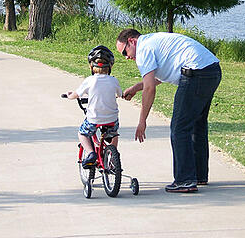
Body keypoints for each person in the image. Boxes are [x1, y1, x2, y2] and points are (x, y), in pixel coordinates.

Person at [116, 29, 222, 193]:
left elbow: (150, 89)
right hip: (212, 71)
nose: (127, 57)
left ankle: (185, 180)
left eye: (125, 52)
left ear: (132, 41)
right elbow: (159, 76)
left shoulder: (143, 49)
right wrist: (137, 87)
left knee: (179, 128)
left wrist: (142, 121)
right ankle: (199, 175)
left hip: (195, 73)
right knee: (196, 125)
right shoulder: (152, 41)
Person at [67, 45, 122, 168]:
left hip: (94, 119)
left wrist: (70, 95)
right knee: (114, 134)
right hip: (112, 120)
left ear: (91, 66)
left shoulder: (89, 80)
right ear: (111, 66)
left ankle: (91, 153)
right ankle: (113, 158)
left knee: (82, 134)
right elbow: (119, 94)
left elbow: (76, 94)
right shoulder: (114, 81)